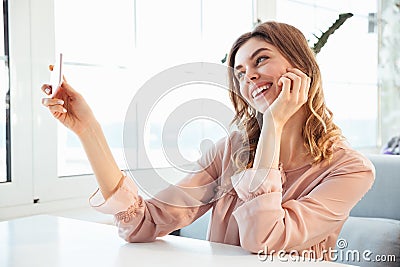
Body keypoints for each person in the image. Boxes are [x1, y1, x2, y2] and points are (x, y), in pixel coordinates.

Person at [41, 21, 374, 261]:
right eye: (240, 73)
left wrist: (274, 122)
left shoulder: (350, 170)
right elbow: (141, 225)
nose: (250, 76)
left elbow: (266, 240)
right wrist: (88, 129)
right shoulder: (230, 151)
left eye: (260, 60)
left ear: (302, 68)